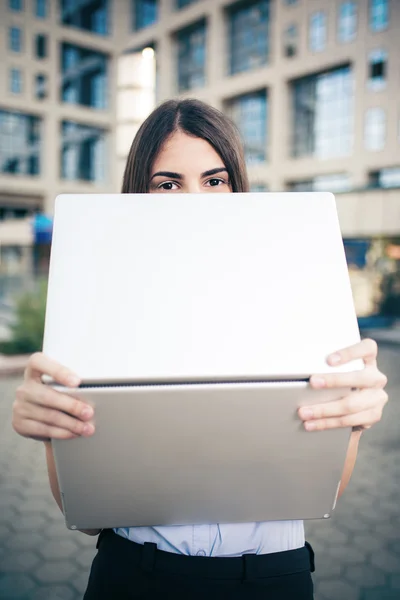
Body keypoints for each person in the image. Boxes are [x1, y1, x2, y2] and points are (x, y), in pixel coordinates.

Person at [12, 99, 388, 600]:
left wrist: (354, 424)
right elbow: (82, 515)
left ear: (237, 186)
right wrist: (50, 431)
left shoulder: (299, 296)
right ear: (138, 195)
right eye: (168, 184)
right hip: (134, 574)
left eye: (215, 180)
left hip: (273, 576)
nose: (195, 200)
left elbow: (323, 493)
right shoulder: (98, 309)